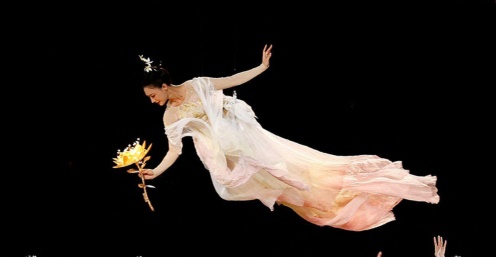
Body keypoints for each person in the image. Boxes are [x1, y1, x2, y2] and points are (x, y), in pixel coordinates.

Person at [136, 45, 439, 231]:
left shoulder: (197, 85)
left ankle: (351, 189)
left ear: (163, 85)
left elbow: (231, 80)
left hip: (243, 137)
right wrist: (156, 172)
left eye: (152, 95)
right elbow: (174, 151)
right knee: (247, 185)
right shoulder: (170, 116)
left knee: (301, 169)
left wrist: (261, 67)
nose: (152, 101)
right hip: (223, 153)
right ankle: (288, 192)